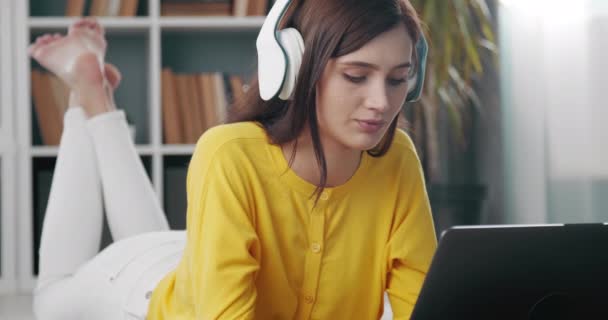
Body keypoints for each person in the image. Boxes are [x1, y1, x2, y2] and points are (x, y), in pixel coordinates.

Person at [28, 0, 437, 319]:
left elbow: (421, 302)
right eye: (356, 76)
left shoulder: (397, 160)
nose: (381, 103)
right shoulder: (229, 153)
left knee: (150, 241)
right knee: (50, 298)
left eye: (398, 79)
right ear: (294, 66)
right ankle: (86, 90)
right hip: (139, 293)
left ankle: (91, 87)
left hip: (195, 263)